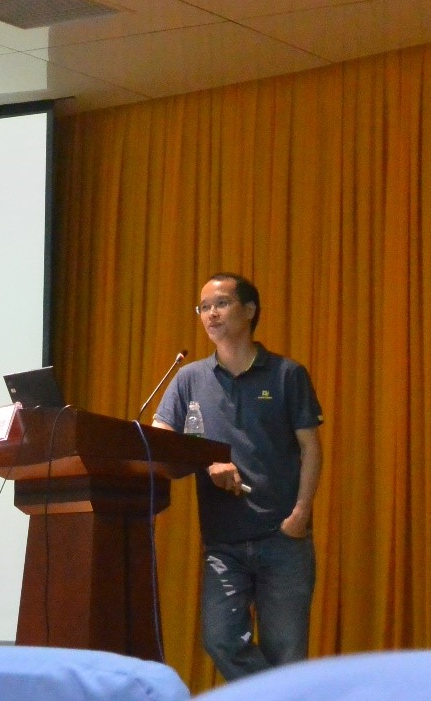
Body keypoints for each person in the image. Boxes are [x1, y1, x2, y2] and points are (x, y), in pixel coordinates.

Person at [152, 273, 323, 681]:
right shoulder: (189, 378)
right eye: (204, 307)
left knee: (286, 656)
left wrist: (299, 515)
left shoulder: (286, 374)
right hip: (223, 541)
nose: (211, 314)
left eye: (221, 304)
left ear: (249, 311)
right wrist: (206, 464)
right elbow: (161, 437)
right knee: (220, 640)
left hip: (282, 537)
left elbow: (311, 449)